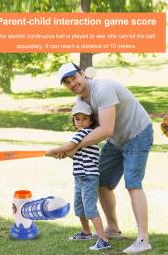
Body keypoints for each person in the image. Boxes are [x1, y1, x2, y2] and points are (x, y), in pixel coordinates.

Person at [55, 62, 154, 254]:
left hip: (138, 134)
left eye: (74, 77)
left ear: (82, 73)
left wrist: (71, 147)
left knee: (133, 183)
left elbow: (106, 129)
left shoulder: (103, 89)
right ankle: (113, 228)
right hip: (116, 140)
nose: (72, 83)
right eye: (67, 82)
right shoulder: (80, 101)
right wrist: (69, 150)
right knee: (101, 182)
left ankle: (143, 239)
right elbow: (86, 132)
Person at [46, 100, 111, 251]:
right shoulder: (81, 135)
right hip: (80, 176)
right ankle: (86, 232)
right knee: (79, 206)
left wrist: (52, 151)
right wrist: (63, 154)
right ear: (73, 120)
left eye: (84, 119)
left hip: (89, 177)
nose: (81, 122)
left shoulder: (86, 133)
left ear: (91, 120)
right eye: (77, 119)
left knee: (89, 208)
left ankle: (103, 239)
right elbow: (74, 154)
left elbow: (69, 147)